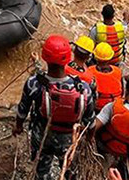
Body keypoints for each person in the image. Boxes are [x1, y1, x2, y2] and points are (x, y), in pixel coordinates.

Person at [15, 35, 96, 180]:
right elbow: (90, 121)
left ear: (45, 57)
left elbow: (22, 111)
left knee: (41, 170)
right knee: (70, 170)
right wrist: (89, 138)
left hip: (42, 135)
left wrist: (18, 127)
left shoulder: (34, 84)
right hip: (68, 138)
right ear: (67, 58)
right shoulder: (84, 88)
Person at [88, 43, 124, 111]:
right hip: (114, 107)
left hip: (97, 108)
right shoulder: (118, 71)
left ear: (95, 57)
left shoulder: (90, 71)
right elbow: (122, 92)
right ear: (110, 57)